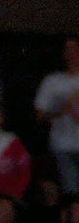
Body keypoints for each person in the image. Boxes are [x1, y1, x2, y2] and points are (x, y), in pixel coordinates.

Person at [34, 37, 79, 195]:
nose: (72, 53)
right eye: (68, 49)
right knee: (71, 193)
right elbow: (40, 114)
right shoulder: (52, 81)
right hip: (63, 146)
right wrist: (62, 109)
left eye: (75, 49)